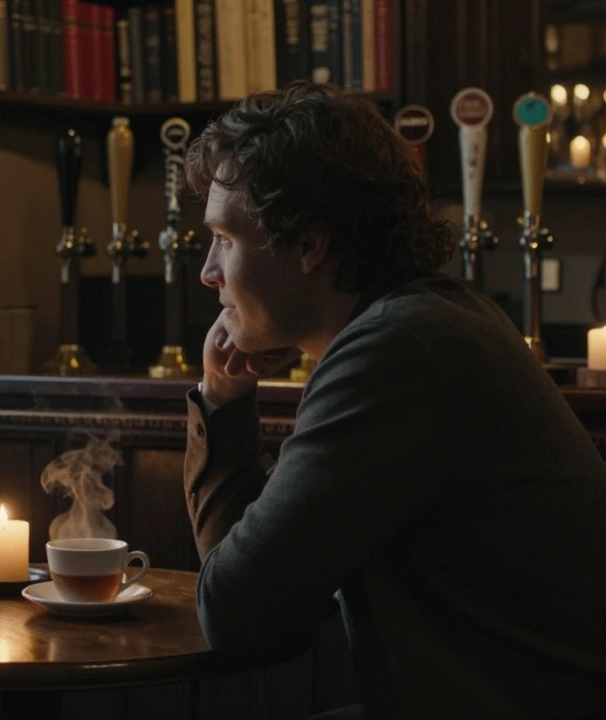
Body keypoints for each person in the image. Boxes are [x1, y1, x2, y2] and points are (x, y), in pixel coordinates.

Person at [182, 82, 606, 719]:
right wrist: (224, 395)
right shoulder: (419, 324)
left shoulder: (395, 354)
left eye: (226, 239)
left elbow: (238, 614)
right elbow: (259, 607)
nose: (208, 271)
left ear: (307, 244)